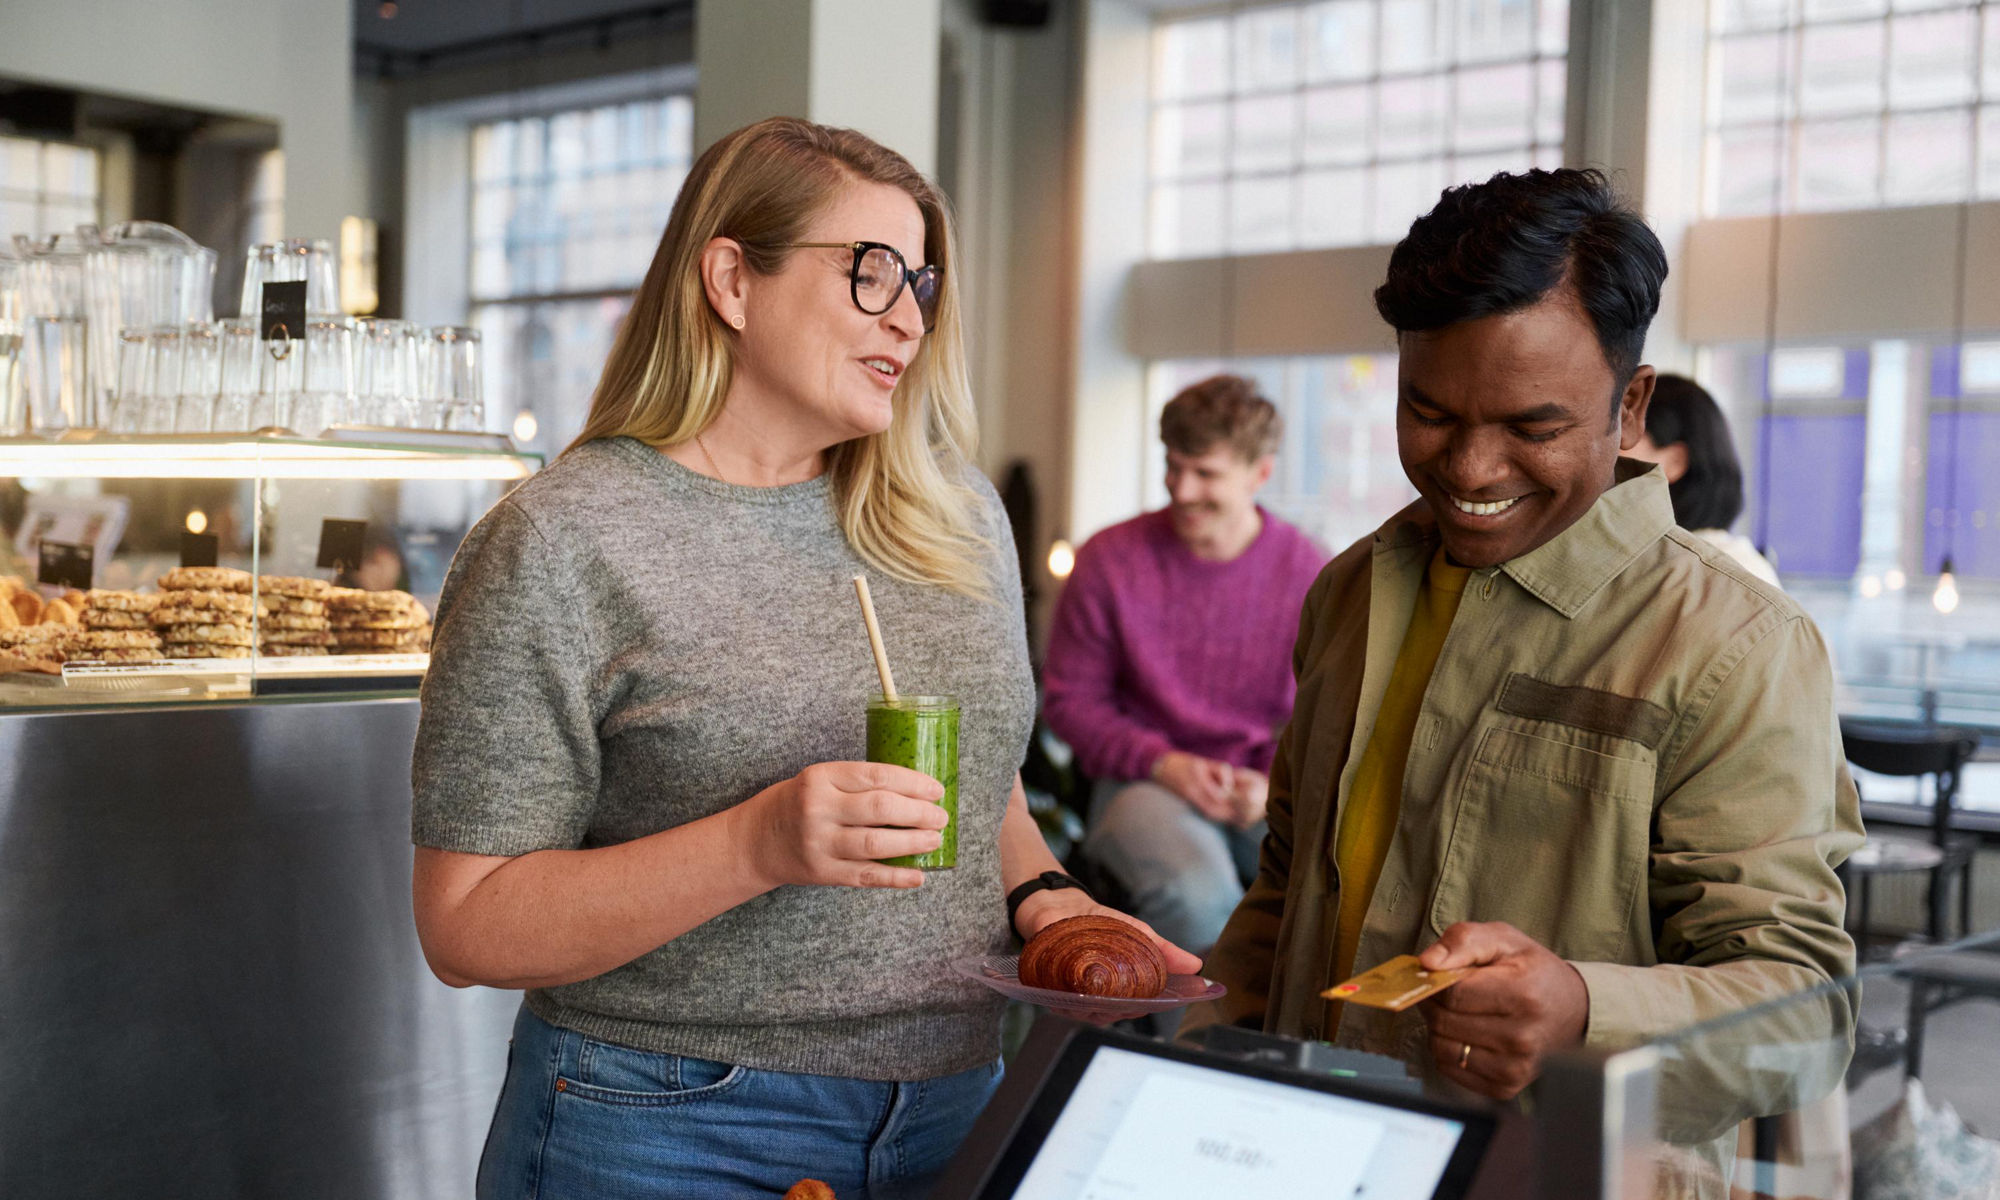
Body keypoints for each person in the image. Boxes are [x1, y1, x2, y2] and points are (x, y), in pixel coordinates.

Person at [409, 117, 1197, 1200]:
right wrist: (756, 843)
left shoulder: (956, 512)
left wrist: (1047, 893)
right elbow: (466, 925)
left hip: (957, 1102)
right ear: (732, 280)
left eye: (920, 284)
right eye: (871, 274)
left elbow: (982, 780)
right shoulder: (560, 540)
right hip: (665, 1121)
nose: (909, 318)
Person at [1180, 168, 1862, 1196]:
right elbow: (1284, 891)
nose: (1469, 468)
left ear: (1629, 407)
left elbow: (1805, 1017)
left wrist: (1584, 1012)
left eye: (1531, 428)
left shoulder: (1734, 643)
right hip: (1315, 1157)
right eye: (1428, 412)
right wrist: (1191, 1063)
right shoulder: (1350, 592)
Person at [1041, 375, 1326, 956]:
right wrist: (1165, 763)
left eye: (1205, 473)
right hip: (1140, 780)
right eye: (1173, 467)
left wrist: (1273, 784)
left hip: (1259, 785)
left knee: (1325, 896)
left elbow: (1322, 715)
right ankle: (1204, 1021)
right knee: (1198, 900)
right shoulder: (1110, 560)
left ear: (1260, 473)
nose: (1182, 489)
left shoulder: (1309, 572)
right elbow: (1071, 702)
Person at [1625, 372, 1779, 586]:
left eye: (1621, 439)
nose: (1603, 456)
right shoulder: (1664, 558)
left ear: (1674, 462)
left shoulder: (1719, 573)